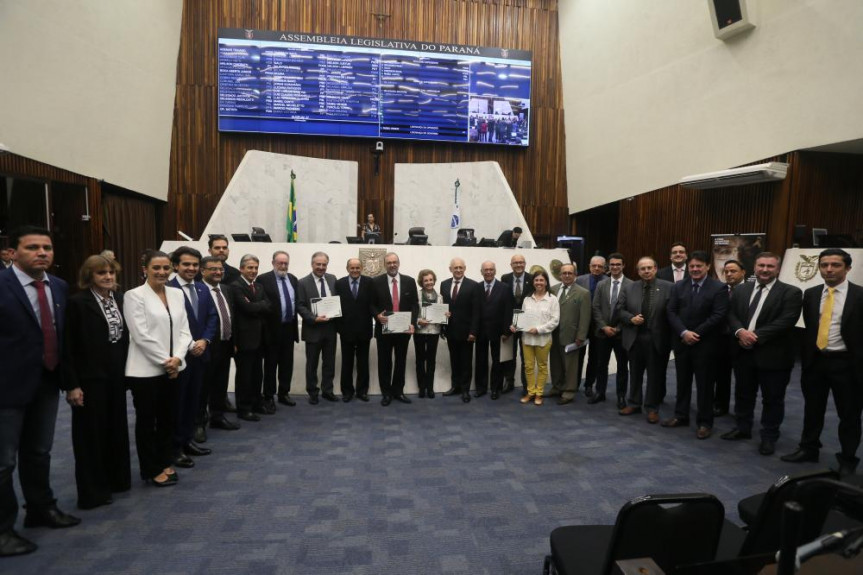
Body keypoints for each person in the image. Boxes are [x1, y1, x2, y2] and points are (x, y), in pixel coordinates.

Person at [0, 226, 79, 557]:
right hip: (6, 389)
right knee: (3, 462)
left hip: (46, 382)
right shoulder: (2, 285)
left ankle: (40, 508)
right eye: (32, 247)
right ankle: (3, 530)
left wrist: (70, 381)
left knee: (39, 452)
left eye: (47, 247)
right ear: (14, 252)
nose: (42, 253)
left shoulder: (58, 286)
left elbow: (63, 337)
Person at [781, 248, 863, 476]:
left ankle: (847, 458)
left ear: (847, 268)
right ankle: (809, 448)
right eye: (824, 265)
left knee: (849, 415)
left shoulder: (859, 295)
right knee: (812, 409)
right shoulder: (811, 294)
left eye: (835, 265)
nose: (829, 269)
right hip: (816, 362)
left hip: (847, 364)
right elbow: (809, 328)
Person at [64, 254, 131, 510]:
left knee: (115, 429)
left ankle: (116, 480)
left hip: (116, 377)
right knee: (90, 436)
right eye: (102, 273)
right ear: (89, 276)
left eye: (111, 272)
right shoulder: (77, 303)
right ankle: (92, 492)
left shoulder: (120, 299)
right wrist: (72, 384)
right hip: (89, 379)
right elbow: (68, 346)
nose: (108, 277)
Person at [720, 253, 802, 456]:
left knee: (772, 399)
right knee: (743, 393)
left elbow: (787, 320)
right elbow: (730, 314)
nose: (765, 270)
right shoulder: (741, 289)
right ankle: (742, 428)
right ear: (754, 267)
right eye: (761, 265)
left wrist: (754, 336)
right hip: (743, 352)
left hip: (773, 356)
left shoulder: (791, 292)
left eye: (770, 266)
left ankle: (769, 437)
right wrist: (740, 332)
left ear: (778, 269)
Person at [124, 249, 192, 487]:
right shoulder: (134, 296)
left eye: (166, 268)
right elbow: (140, 335)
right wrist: (167, 361)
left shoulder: (176, 294)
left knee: (167, 419)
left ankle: (164, 461)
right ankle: (150, 469)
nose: (162, 272)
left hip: (173, 368)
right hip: (145, 371)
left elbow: (184, 331)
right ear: (145, 270)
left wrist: (178, 359)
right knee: (147, 422)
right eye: (156, 268)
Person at [663, 251, 729, 439]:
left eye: (699, 266)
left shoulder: (719, 288)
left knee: (705, 386)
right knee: (682, 382)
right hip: (683, 343)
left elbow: (718, 315)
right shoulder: (678, 286)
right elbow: (671, 311)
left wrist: (696, 333)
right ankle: (681, 415)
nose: (695, 269)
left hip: (705, 345)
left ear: (708, 266)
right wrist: (684, 332)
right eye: (692, 266)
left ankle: (705, 422)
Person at [168, 247, 217, 466]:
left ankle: (187, 441)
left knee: (193, 401)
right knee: (177, 403)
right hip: (179, 357)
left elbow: (212, 317)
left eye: (195, 265)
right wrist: (190, 344)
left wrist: (205, 340)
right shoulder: (168, 288)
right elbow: (172, 324)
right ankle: (175, 447)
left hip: (200, 354)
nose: (191, 268)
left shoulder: (202, 288)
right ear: (175, 266)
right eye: (186, 264)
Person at [617, 257, 673, 422]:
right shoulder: (629, 288)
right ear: (638, 271)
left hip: (657, 338)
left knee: (655, 375)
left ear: (655, 269)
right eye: (643, 269)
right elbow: (619, 310)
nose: (646, 271)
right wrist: (630, 318)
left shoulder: (669, 287)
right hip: (635, 337)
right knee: (635, 373)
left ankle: (652, 408)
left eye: (649, 268)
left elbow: (673, 313)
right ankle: (634, 403)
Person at [198, 256, 240, 432]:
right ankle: (199, 423)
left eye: (220, 269)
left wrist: (234, 341)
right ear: (203, 271)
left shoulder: (226, 289)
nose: (218, 272)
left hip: (225, 344)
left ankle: (217, 417)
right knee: (202, 387)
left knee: (220, 384)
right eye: (213, 269)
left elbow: (231, 316)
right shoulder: (198, 290)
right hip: (206, 346)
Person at [371, 252, 419, 405]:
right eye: (389, 263)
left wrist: (412, 323)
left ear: (398, 263)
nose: (392, 265)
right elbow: (371, 304)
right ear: (384, 265)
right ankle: (386, 393)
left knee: (400, 361)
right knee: (384, 362)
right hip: (384, 329)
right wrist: (377, 315)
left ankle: (398, 391)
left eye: (394, 262)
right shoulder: (376, 282)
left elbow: (414, 305)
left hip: (404, 330)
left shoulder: (409, 281)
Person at [257, 251, 299, 409]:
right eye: (280, 263)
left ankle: (284, 393)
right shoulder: (263, 279)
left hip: (289, 328)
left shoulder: (293, 279)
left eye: (285, 263)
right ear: (273, 263)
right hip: (271, 330)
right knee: (270, 365)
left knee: (287, 364)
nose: (283, 266)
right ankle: (269, 396)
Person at [230, 254, 271, 420]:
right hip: (244, 340)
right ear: (241, 269)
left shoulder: (259, 286)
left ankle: (256, 403)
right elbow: (246, 308)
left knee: (257, 374)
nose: (253, 271)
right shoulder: (235, 286)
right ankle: (244, 408)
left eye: (255, 268)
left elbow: (268, 305)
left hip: (259, 339)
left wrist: (254, 305)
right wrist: (258, 305)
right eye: (249, 267)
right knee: (244, 376)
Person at [512, 270, 560, 405]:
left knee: (542, 367)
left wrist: (538, 329)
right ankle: (530, 392)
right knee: (528, 367)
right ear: (533, 282)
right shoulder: (527, 299)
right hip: (527, 339)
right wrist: (515, 325)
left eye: (541, 280)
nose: (539, 283)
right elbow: (521, 318)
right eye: (536, 280)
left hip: (543, 339)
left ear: (546, 282)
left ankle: (539, 393)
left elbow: (555, 321)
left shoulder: (552, 299)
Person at [296, 251, 339, 404]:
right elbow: (299, 305)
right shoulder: (302, 283)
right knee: (312, 364)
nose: (321, 267)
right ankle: (313, 392)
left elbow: (337, 300)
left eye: (324, 264)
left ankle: (328, 391)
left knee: (329, 363)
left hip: (330, 329)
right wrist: (314, 318)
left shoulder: (333, 279)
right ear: (312, 264)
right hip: (313, 329)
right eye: (318, 264)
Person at [591, 253, 632, 409]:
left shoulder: (631, 285)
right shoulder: (602, 284)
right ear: (608, 266)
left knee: (622, 366)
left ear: (623, 266)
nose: (615, 267)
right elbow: (595, 307)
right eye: (612, 264)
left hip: (622, 333)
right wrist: (603, 326)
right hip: (603, 333)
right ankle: (600, 392)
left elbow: (631, 309)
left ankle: (621, 396)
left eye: (618, 264)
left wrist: (618, 328)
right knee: (601, 364)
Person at [548, 263, 591, 405]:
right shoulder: (553, 290)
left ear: (575, 275)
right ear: (560, 275)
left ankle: (569, 391)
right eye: (564, 273)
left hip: (572, 335)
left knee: (570, 365)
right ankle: (557, 386)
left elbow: (585, 317)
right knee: (555, 363)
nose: (567, 275)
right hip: (553, 333)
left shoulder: (583, 293)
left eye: (570, 273)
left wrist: (581, 336)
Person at [441, 257, 481, 403]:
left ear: (464, 268)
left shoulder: (473, 285)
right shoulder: (444, 284)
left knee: (466, 362)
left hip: (467, 332)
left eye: (460, 267)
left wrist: (473, 332)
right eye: (455, 267)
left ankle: (465, 390)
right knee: (454, 361)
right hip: (450, 331)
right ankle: (455, 386)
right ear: (450, 269)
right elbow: (442, 307)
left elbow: (476, 311)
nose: (458, 270)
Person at [335, 258, 374, 402]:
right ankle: (347, 392)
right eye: (352, 268)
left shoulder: (369, 283)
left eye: (357, 267)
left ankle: (362, 391)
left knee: (363, 363)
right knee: (347, 363)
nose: (355, 270)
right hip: (346, 330)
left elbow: (373, 303)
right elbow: (336, 306)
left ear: (361, 268)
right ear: (347, 269)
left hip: (364, 330)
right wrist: (339, 327)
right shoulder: (339, 283)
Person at [475, 261, 514, 400]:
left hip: (498, 332)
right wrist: (473, 331)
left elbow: (508, 311)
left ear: (495, 271)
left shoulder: (505, 288)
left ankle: (495, 389)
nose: (488, 272)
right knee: (480, 361)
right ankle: (481, 388)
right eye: (485, 270)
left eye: (491, 269)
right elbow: (475, 310)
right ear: (481, 272)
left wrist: (506, 332)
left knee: (497, 362)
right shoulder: (477, 287)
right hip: (481, 331)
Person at [713, 260, 747, 417]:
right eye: (726, 271)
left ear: (743, 272)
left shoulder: (751, 290)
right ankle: (720, 405)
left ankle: (742, 411)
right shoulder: (720, 290)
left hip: (742, 340)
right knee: (721, 375)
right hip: (721, 339)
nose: (728, 274)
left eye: (733, 271)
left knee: (743, 378)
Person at [501, 254, 534, 394]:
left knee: (526, 357)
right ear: (511, 265)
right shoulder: (505, 278)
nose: (518, 265)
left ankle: (527, 385)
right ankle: (509, 382)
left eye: (521, 262)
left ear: (525, 264)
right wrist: (505, 328)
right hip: (510, 325)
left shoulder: (532, 279)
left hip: (527, 325)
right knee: (509, 355)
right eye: (515, 263)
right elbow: (503, 303)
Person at [575, 255, 607, 397]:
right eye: (594, 265)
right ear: (589, 266)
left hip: (598, 326)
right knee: (578, 355)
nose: (596, 268)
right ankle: (574, 383)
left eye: (600, 266)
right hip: (582, 324)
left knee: (594, 357)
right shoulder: (580, 280)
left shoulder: (608, 281)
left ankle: (589, 384)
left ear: (604, 268)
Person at [414, 269, 443, 399]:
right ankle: (422, 388)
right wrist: (418, 321)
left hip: (434, 332)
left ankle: (430, 388)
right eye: (426, 280)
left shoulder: (440, 297)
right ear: (422, 282)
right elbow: (413, 313)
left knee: (431, 360)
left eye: (431, 280)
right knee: (420, 360)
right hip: (420, 331)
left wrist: (445, 315)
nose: (429, 282)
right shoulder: (417, 295)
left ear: (434, 280)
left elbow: (441, 314)